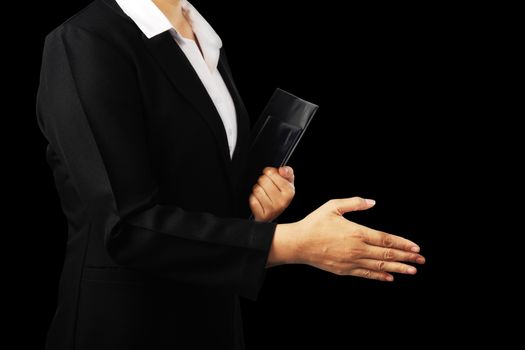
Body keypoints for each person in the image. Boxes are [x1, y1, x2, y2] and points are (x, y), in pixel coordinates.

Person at [36, 0, 426, 349]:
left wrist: (254, 209)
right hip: (126, 326)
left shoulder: (203, 39)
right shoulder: (86, 41)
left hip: (210, 317)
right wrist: (294, 243)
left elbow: (193, 188)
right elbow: (127, 225)